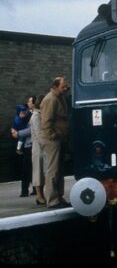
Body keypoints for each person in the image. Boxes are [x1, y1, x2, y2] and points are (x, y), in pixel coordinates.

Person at [38, 76, 71, 208]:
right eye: (63, 87)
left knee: (59, 169)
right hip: (53, 140)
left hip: (60, 138)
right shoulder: (50, 100)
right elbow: (46, 121)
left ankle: (58, 196)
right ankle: (52, 200)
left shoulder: (59, 98)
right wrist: (53, 135)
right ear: (55, 87)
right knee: (53, 169)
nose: (66, 88)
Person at [10, 101, 31, 197]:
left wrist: (17, 133)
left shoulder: (30, 116)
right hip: (24, 145)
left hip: (27, 145)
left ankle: (28, 190)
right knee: (26, 169)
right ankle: (25, 190)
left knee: (28, 169)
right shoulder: (19, 119)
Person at [29, 94, 46, 205]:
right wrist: (46, 145)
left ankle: (41, 195)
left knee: (41, 172)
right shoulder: (36, 116)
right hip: (38, 149)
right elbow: (38, 133)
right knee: (38, 172)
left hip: (41, 148)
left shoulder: (39, 114)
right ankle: (39, 196)